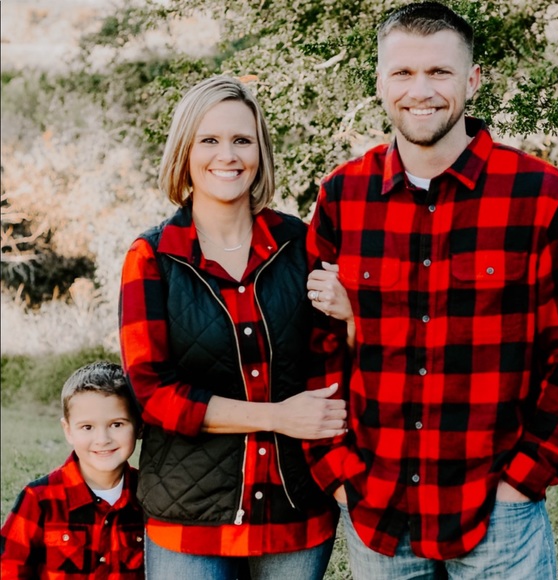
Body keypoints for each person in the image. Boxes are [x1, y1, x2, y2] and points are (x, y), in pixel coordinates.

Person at [304, 2, 558, 578]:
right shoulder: (342, 197)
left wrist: (526, 476)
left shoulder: (545, 197)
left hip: (498, 510)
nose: (421, 90)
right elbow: (316, 348)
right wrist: (337, 471)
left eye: (439, 72)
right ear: (380, 82)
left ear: (472, 80)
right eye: (403, 72)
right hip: (377, 506)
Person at [118, 75, 349, 580]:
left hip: (295, 514)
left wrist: (353, 316)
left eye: (242, 140)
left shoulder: (302, 246)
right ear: (185, 152)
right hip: (189, 522)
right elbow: (153, 394)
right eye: (210, 140)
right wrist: (278, 416)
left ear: (260, 152)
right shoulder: (152, 257)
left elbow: (333, 362)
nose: (228, 155)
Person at [1, 361, 144, 579]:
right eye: (87, 427)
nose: (102, 439)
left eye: (117, 424)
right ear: (68, 430)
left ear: (138, 425)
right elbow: (9, 569)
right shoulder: (39, 499)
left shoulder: (148, 495)